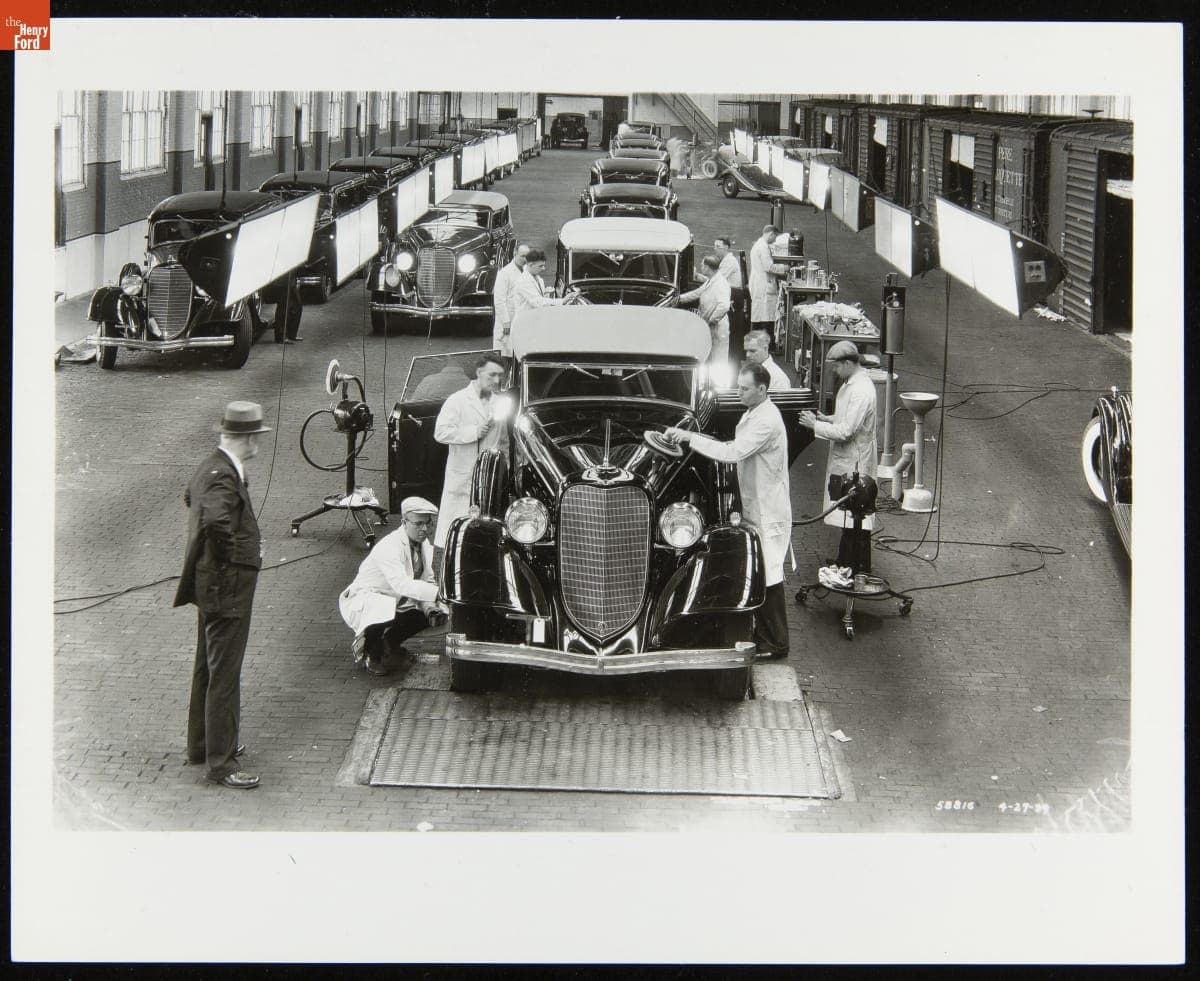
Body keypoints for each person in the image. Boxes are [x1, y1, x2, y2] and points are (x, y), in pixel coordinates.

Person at [663, 363, 792, 659]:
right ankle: (766, 636)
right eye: (738, 386)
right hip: (758, 504)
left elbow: (732, 453)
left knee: (770, 575)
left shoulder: (766, 421)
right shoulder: (754, 413)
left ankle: (777, 642)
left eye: (744, 388)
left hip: (768, 509)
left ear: (762, 389)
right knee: (765, 573)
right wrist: (689, 436)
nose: (738, 393)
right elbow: (733, 444)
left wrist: (690, 439)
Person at [173, 401, 270, 790]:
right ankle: (222, 764)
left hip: (210, 584)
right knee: (225, 674)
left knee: (207, 668)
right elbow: (215, 520)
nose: (258, 444)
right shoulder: (223, 475)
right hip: (227, 588)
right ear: (246, 439)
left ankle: (202, 746)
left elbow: (189, 498)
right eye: (256, 437)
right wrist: (237, 557)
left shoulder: (211, 467)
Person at [338, 497, 448, 677]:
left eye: (428, 523)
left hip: (396, 597)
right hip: (367, 598)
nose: (425, 529)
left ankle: (389, 643)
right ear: (404, 522)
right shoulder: (389, 546)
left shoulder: (425, 544)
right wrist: (438, 594)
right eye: (419, 524)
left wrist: (434, 605)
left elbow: (428, 578)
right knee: (382, 609)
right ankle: (372, 655)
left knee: (430, 613)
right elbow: (402, 584)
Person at [798, 340, 878, 574]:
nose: (833, 370)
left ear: (847, 363)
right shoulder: (850, 384)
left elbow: (846, 431)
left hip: (855, 459)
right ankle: (846, 561)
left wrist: (815, 425)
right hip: (847, 456)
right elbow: (846, 418)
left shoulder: (862, 390)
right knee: (848, 514)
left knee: (855, 513)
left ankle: (855, 567)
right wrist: (827, 418)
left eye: (836, 366)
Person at [432, 354, 509, 571]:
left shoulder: (501, 403)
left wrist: (506, 467)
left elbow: (503, 441)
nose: (496, 380)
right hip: (463, 477)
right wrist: (473, 432)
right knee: (456, 535)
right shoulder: (457, 400)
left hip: (490, 478)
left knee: (486, 532)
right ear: (479, 373)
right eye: (492, 374)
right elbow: (440, 433)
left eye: (500, 376)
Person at [678, 255, 732, 372]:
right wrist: (679, 298)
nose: (701, 267)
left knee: (719, 360)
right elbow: (698, 292)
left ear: (708, 268)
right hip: (710, 325)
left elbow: (724, 305)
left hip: (717, 327)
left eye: (702, 265)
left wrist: (712, 320)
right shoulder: (711, 280)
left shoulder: (720, 284)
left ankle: (720, 387)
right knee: (710, 357)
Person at [748, 224, 789, 337]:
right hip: (763, 284)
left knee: (761, 314)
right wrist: (785, 268)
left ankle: (761, 342)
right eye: (775, 237)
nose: (775, 240)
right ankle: (766, 344)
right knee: (765, 315)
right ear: (771, 234)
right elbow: (769, 267)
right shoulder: (763, 247)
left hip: (760, 282)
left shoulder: (760, 245)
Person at [491, 243, 530, 357]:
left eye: (527, 257)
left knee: (517, 356)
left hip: (519, 320)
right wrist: (505, 322)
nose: (525, 259)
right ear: (514, 253)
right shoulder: (504, 273)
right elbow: (499, 300)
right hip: (507, 322)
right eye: (522, 256)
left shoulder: (526, 272)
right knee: (504, 357)